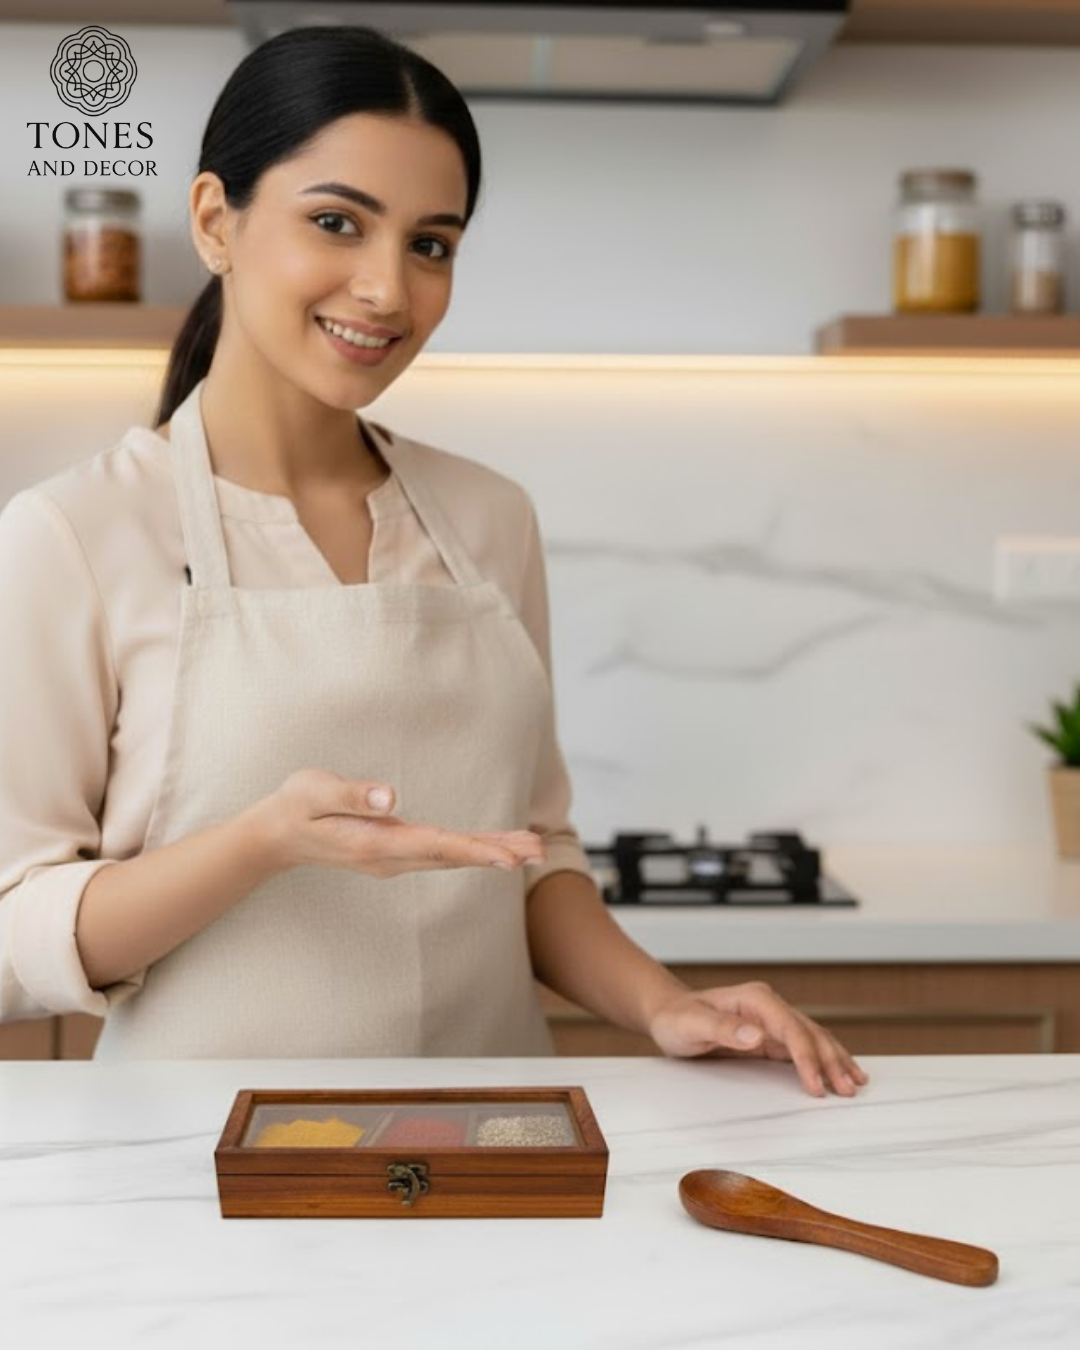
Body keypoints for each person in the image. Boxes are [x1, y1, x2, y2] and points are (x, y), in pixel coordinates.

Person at [0, 26, 866, 1096]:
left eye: (431, 244)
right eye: (336, 223)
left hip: (493, 1149)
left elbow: (535, 855)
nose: (386, 291)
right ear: (216, 221)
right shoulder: (75, 534)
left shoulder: (489, 517)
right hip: (201, 1182)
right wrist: (260, 842)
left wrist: (666, 1004)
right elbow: (17, 931)